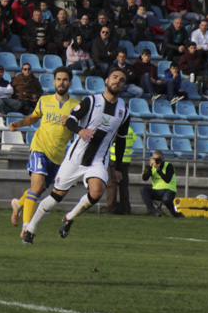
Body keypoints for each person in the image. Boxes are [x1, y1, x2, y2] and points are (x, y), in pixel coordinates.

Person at [23, 68, 130, 244]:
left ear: (123, 86)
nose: (117, 81)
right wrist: (80, 130)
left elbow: (122, 141)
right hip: (75, 158)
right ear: (106, 80)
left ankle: (69, 217)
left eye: (122, 80)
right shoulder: (92, 101)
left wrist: (118, 168)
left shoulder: (124, 112)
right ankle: (31, 228)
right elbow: (71, 120)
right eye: (115, 77)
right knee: (57, 196)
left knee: (97, 192)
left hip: (98, 160)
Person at [7, 67, 80, 237]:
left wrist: (71, 123)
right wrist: (19, 123)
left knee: (38, 190)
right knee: (38, 186)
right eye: (59, 79)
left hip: (58, 155)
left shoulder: (77, 106)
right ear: (54, 82)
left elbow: (80, 130)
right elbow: (34, 117)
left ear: (70, 82)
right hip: (39, 148)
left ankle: (18, 204)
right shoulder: (44, 100)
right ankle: (27, 227)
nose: (61, 82)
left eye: (65, 79)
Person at [139, 151, 184, 217]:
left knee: (166, 199)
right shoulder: (149, 167)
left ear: (162, 159)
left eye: (158, 159)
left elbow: (167, 180)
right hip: (156, 190)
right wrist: (150, 167)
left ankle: (175, 213)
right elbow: (144, 178)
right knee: (143, 189)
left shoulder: (169, 165)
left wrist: (158, 170)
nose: (156, 161)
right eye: (154, 159)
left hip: (169, 189)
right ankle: (153, 211)